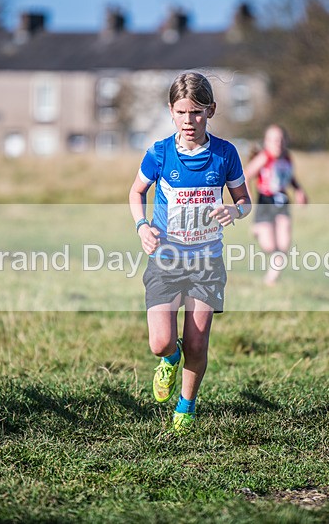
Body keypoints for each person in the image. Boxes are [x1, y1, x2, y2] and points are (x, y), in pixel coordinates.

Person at [128, 71, 251, 434]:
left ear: (210, 111)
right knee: (161, 341)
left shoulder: (225, 154)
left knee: (197, 342)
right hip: (166, 259)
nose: (188, 121)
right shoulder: (159, 153)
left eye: (196, 112)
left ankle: (186, 405)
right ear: (171, 112)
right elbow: (136, 193)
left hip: (206, 262)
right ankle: (169, 359)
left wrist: (235, 210)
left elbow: (244, 200)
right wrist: (142, 227)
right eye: (181, 113)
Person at [244, 124, 307, 285]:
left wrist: (299, 191)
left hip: (282, 201)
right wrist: (247, 197)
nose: (277, 143)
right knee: (270, 245)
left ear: (286, 141)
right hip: (265, 201)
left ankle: (271, 278)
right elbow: (246, 175)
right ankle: (258, 230)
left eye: (280, 139)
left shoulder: (287, 158)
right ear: (266, 142)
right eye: (273, 140)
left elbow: (290, 177)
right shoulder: (265, 157)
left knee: (284, 243)